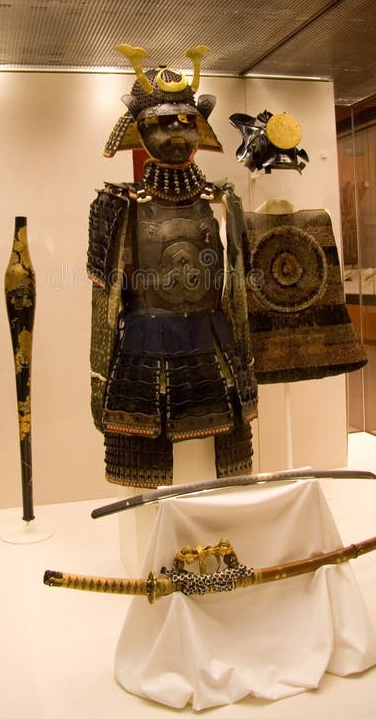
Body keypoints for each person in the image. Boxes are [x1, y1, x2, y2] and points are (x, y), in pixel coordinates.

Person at [87, 44, 257, 487]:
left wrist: (246, 359)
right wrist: (99, 375)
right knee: (149, 474)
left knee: (217, 475)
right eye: (163, 122)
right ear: (139, 129)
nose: (177, 132)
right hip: (145, 346)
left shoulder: (222, 198)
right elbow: (103, 301)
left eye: (186, 120)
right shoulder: (116, 203)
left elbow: (237, 291)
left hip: (214, 340)